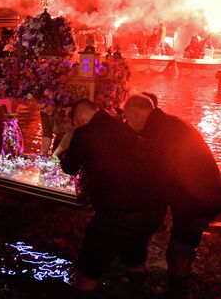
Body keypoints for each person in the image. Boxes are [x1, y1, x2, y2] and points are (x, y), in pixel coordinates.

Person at [122, 95, 221, 295]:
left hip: (197, 199)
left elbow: (158, 180)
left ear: (135, 113)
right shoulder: (167, 124)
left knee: (179, 252)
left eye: (127, 119)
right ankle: (180, 278)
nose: (128, 125)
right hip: (197, 194)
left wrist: (157, 215)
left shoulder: (162, 134)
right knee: (183, 246)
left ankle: (178, 289)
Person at [59, 99, 166, 293]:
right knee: (135, 255)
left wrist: (63, 152)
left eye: (74, 123)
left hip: (119, 213)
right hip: (152, 208)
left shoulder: (86, 132)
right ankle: (138, 289)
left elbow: (70, 167)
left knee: (89, 267)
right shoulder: (122, 127)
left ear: (78, 119)